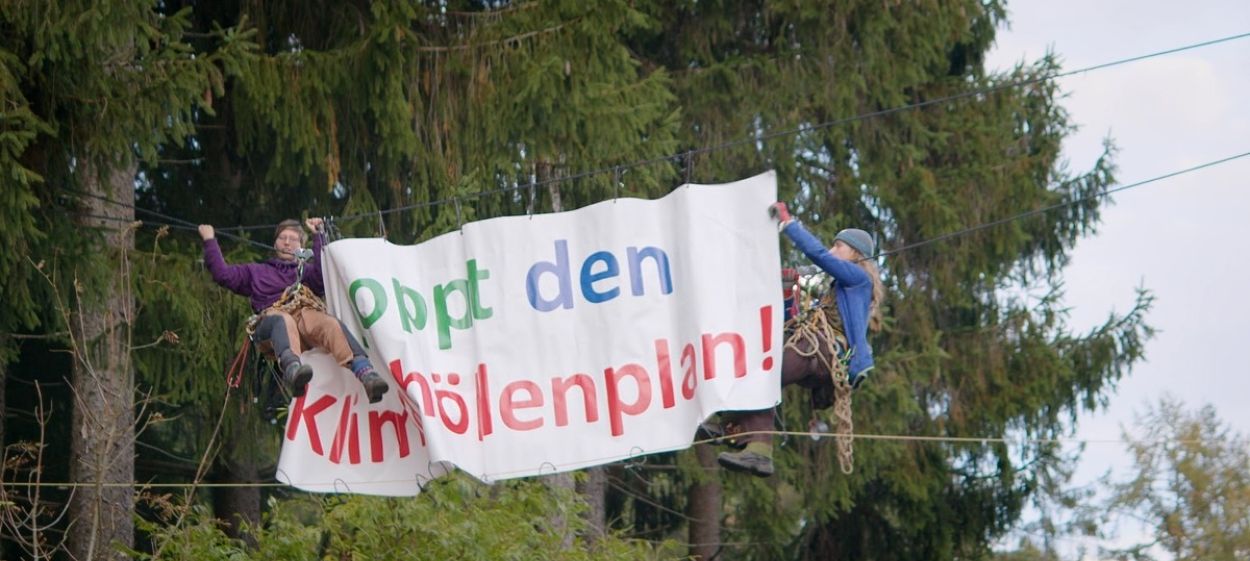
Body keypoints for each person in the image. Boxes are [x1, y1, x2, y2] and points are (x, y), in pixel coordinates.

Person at [714, 201, 884, 477]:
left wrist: (788, 224)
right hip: (815, 354)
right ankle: (734, 430)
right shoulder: (837, 290)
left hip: (823, 353)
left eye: (838, 246)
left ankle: (756, 448)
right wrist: (786, 293)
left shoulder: (858, 278)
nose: (832, 251)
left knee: (766, 374)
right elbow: (793, 322)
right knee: (760, 371)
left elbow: (819, 256)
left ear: (855, 254)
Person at [199, 218, 390, 403]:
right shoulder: (255, 272)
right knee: (283, 320)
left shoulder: (304, 272)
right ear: (275, 243)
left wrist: (318, 236)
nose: (287, 243)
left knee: (328, 323)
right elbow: (222, 274)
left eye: (294, 239)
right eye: (283, 238)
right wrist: (209, 240)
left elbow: (323, 277)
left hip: (304, 316)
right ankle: (292, 369)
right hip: (273, 321)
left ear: (300, 247)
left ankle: (366, 373)